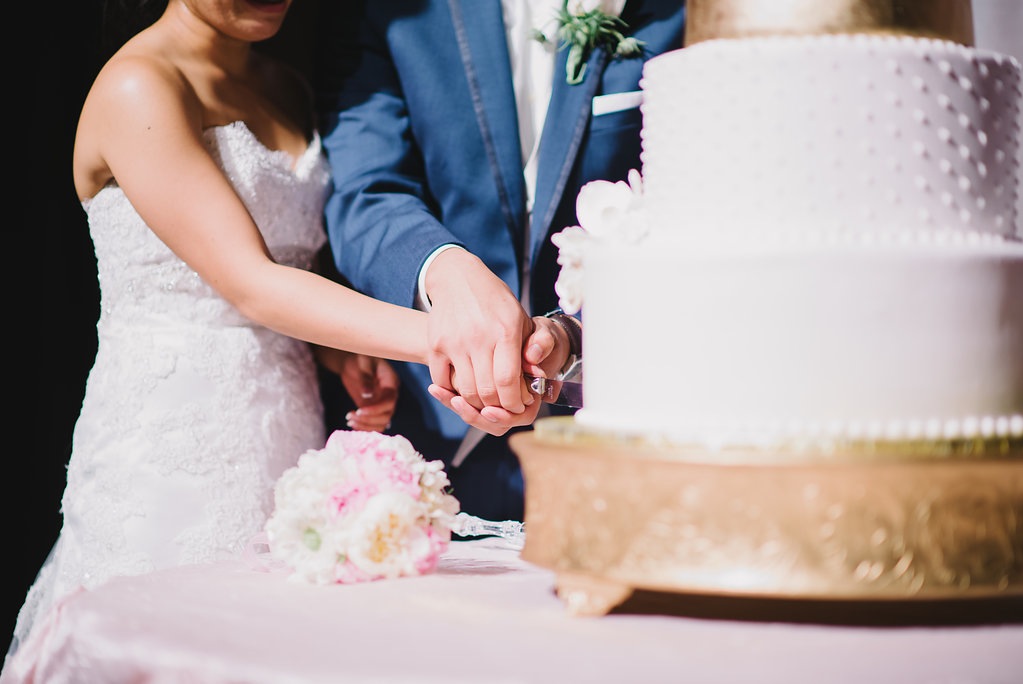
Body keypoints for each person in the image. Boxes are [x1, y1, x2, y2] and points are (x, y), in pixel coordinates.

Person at [5, 0, 572, 663]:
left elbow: (293, 266)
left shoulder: (286, 87)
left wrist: (338, 351)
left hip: (290, 438)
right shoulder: (137, 85)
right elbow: (251, 282)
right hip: (170, 443)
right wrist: (451, 337)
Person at [314, 0, 685, 521]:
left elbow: (695, 212)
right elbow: (366, 190)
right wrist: (443, 269)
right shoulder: (388, 11)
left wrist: (573, 336)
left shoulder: (679, 13)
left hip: (625, 444)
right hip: (418, 436)